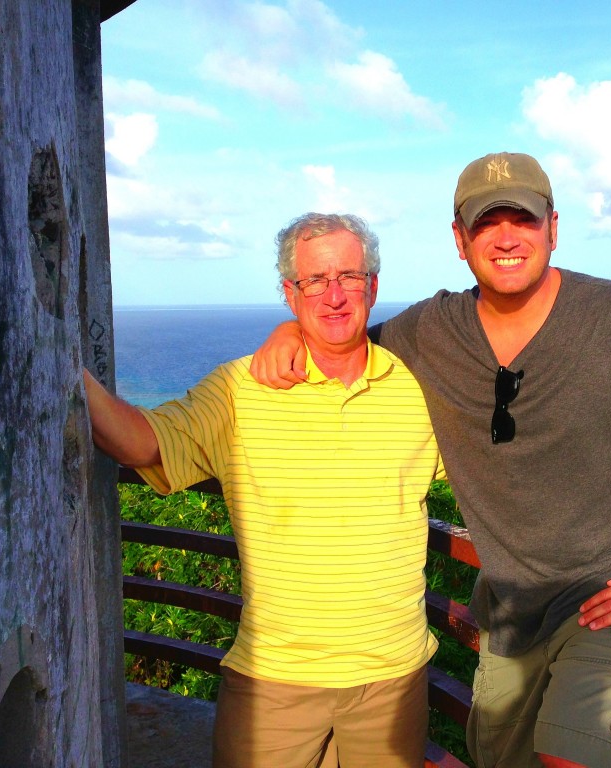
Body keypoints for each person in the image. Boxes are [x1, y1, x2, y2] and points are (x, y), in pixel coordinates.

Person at [249, 153, 611, 768]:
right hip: (511, 622)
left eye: (524, 218)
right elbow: (344, 336)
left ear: (553, 228)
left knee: (575, 755)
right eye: (487, 222)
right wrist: (290, 332)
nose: (507, 236)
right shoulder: (434, 330)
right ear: (460, 240)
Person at [84, 213, 446, 768]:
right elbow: (143, 444)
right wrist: (62, 364)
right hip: (275, 677)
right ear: (289, 293)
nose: (333, 296)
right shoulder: (238, 388)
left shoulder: (417, 389)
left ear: (374, 285)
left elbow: (499, 465)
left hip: (393, 677)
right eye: (313, 281)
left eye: (348, 276)